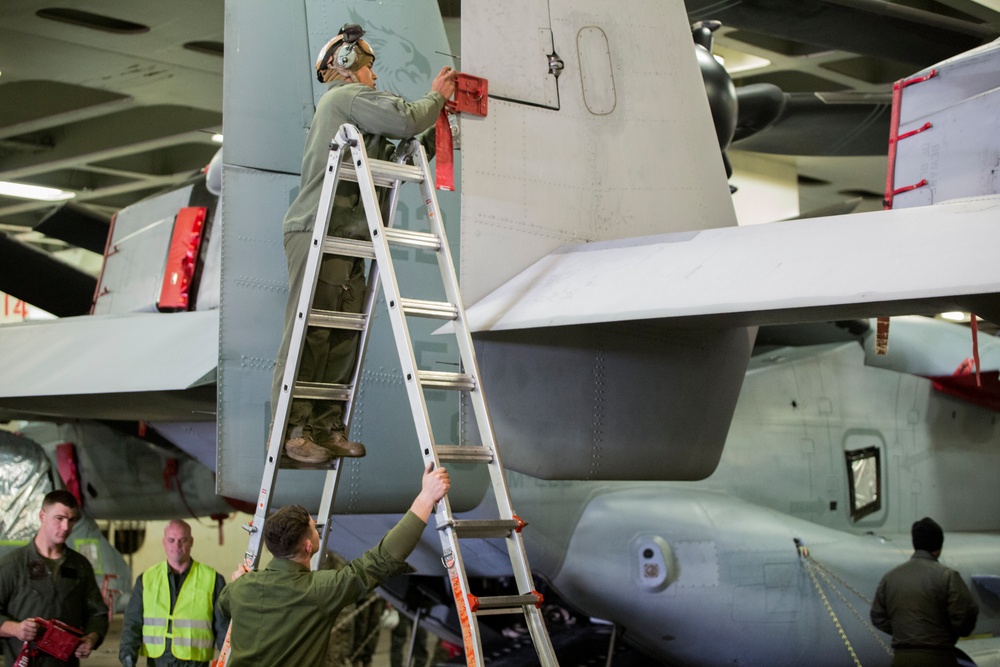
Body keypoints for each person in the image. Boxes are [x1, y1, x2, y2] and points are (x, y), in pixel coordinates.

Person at [271, 22, 458, 464]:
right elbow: (407, 116)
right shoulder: (345, 98)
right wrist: (437, 97)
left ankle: (325, 426)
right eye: (371, 67)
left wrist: (438, 132)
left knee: (340, 335)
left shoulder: (359, 116)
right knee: (311, 332)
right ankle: (292, 431)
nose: (375, 76)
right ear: (349, 65)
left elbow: (393, 162)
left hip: (349, 235)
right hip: (318, 230)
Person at [219, 462, 450, 665]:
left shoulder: (240, 590)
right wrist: (426, 497)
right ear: (308, 546)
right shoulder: (319, 590)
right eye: (313, 526)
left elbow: (224, 604)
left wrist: (243, 582)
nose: (317, 526)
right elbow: (382, 560)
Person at [0, 489, 108, 666]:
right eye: (59, 518)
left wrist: (91, 638)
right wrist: (16, 629)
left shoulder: (80, 566)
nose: (65, 527)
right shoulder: (13, 565)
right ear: (42, 515)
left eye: (71, 520)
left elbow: (98, 613)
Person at [870, 517, 979, 667]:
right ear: (939, 547)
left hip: (901, 660)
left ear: (915, 544)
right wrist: (947, 635)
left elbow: (878, 617)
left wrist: (905, 633)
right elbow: (965, 616)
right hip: (939, 659)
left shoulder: (890, 577)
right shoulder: (948, 576)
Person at [119, 520, 227, 667]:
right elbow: (132, 622)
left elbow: (224, 628)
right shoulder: (147, 579)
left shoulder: (213, 579)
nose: (176, 546)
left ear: (191, 542)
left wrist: (228, 659)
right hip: (158, 662)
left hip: (195, 663)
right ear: (164, 542)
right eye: (171, 540)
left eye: (182, 540)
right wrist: (127, 656)